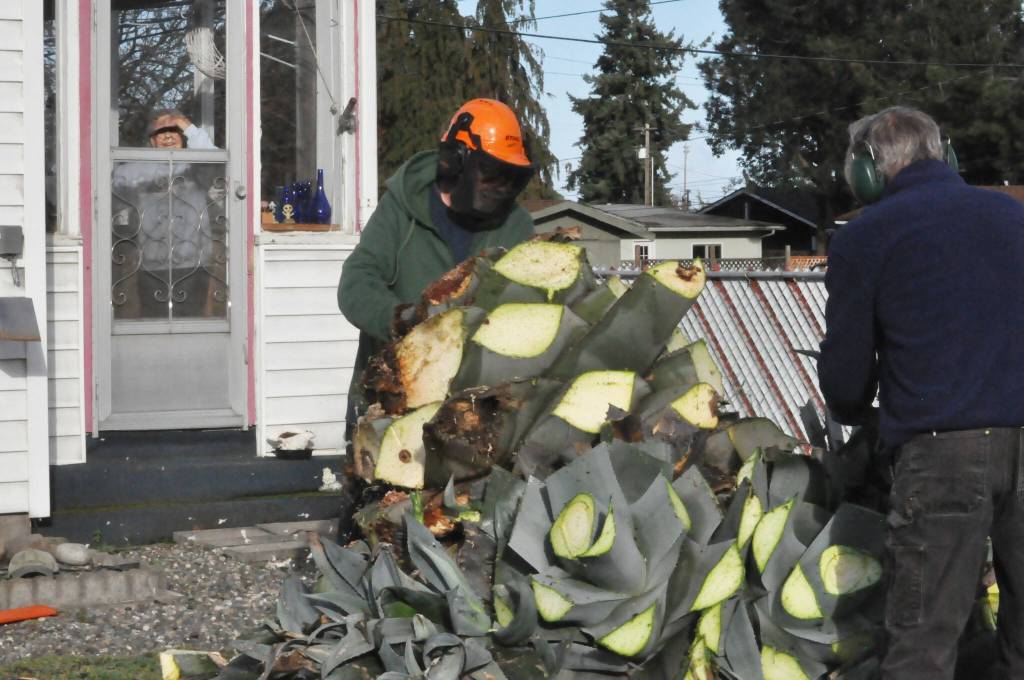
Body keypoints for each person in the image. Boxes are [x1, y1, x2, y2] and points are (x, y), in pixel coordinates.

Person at [818, 106, 1024, 679]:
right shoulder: (1012, 217)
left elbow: (845, 376)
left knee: (922, 645)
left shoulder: (867, 236)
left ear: (865, 170)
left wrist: (855, 413)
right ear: (946, 154)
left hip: (944, 457)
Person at [338, 98, 536, 437]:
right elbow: (357, 283)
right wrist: (404, 321)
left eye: (512, 177)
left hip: (475, 419)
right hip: (387, 405)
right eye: (492, 173)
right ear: (455, 162)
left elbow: (527, 316)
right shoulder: (401, 209)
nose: (502, 187)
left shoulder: (516, 227)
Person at [111, 109, 226, 319]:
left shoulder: (197, 166)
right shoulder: (134, 170)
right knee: (155, 323)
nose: (167, 136)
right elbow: (115, 197)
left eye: (174, 130)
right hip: (152, 265)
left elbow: (219, 161)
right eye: (161, 131)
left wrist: (187, 125)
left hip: (194, 264)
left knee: (192, 324)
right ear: (152, 141)